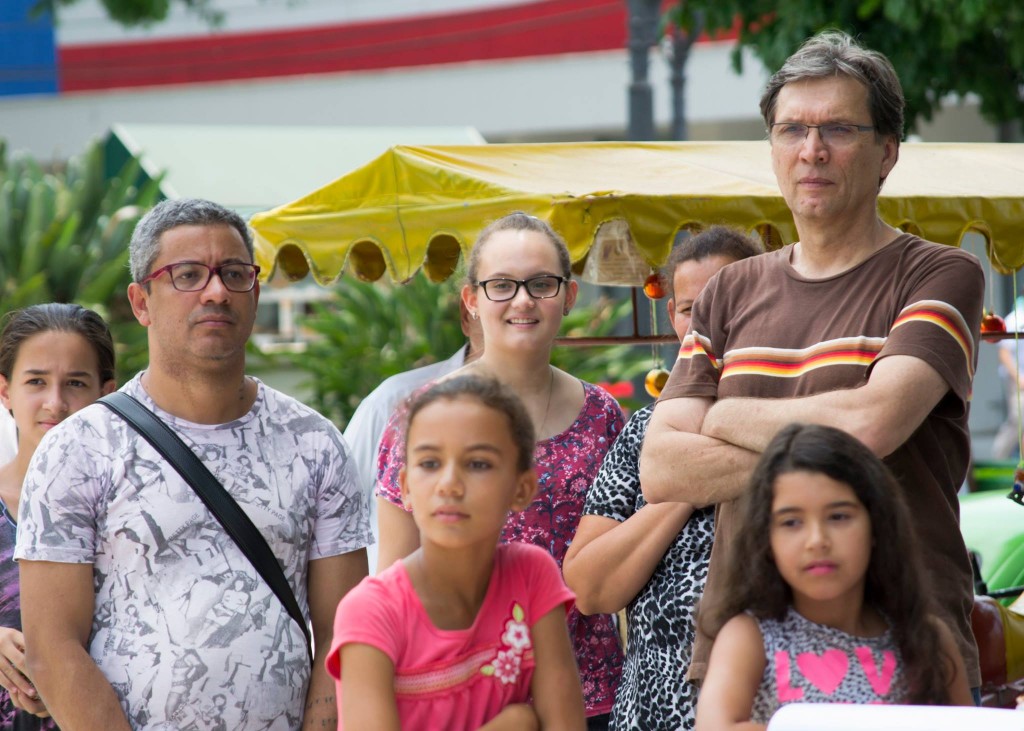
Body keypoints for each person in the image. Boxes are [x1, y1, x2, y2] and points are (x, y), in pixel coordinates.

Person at [639, 29, 983, 695]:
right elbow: (661, 467)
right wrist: (841, 454)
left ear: (887, 152)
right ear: (771, 149)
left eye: (838, 129)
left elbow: (876, 423)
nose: (812, 149)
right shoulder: (728, 291)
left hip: (904, 642)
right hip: (745, 646)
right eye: (791, 129)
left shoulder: (940, 276)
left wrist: (724, 415)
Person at [15, 198, 372, 730]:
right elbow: (52, 647)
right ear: (142, 302)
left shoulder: (315, 444)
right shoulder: (79, 449)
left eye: (234, 273)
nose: (216, 292)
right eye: (187, 275)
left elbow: (345, 636)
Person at [376, 212, 625, 727]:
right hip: (465, 697)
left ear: (570, 296)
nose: (523, 300)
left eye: (541, 284)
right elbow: (395, 577)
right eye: (502, 285)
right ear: (472, 300)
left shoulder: (603, 416)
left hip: (591, 698)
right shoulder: (425, 417)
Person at [563, 226, 761, 731]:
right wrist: (681, 486)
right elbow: (589, 587)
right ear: (672, 316)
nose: (709, 321)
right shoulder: (643, 432)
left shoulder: (802, 405)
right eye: (692, 307)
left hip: (775, 701)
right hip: (654, 708)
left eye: (728, 298)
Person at [329, 375, 585, 730]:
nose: (449, 483)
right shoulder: (371, 613)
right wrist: (513, 723)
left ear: (522, 487)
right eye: (430, 463)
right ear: (404, 487)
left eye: (478, 463)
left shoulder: (531, 575)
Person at [695, 423, 972, 730]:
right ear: (766, 539)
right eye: (791, 522)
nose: (817, 540)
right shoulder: (749, 637)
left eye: (839, 517)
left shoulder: (928, 639)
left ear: (877, 525)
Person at [0, 303, 117, 730]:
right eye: (36, 381)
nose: (56, 403)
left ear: (106, 392)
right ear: (5, 391)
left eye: (75, 383)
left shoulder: (134, 512)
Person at [344, 300, 482, 573]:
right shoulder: (392, 400)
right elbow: (336, 511)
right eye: (501, 288)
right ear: (468, 315)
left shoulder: (579, 412)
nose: (519, 304)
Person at [993, 296, 1024, 460]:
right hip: (1018, 381)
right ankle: (999, 460)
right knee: (1018, 422)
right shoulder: (1015, 318)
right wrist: (1018, 378)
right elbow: (1004, 352)